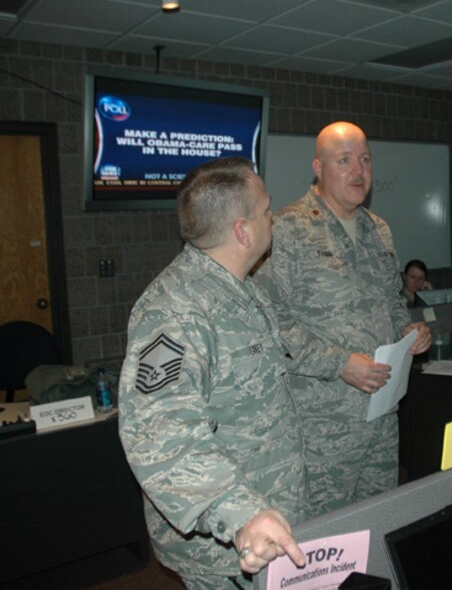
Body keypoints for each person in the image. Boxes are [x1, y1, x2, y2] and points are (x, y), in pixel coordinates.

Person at [118, 157, 307, 590]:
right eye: (264, 211)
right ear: (242, 231)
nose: (271, 218)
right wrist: (241, 514)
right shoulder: (174, 311)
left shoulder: (242, 287)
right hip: (227, 544)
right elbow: (159, 433)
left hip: (270, 517)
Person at [257, 121, 431, 517]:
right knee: (324, 539)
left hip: (382, 416)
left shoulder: (378, 229)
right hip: (322, 426)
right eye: (345, 160)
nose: (359, 171)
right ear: (318, 168)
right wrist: (340, 364)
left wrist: (409, 329)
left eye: (366, 160)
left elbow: (391, 301)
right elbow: (271, 325)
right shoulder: (286, 230)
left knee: (377, 524)